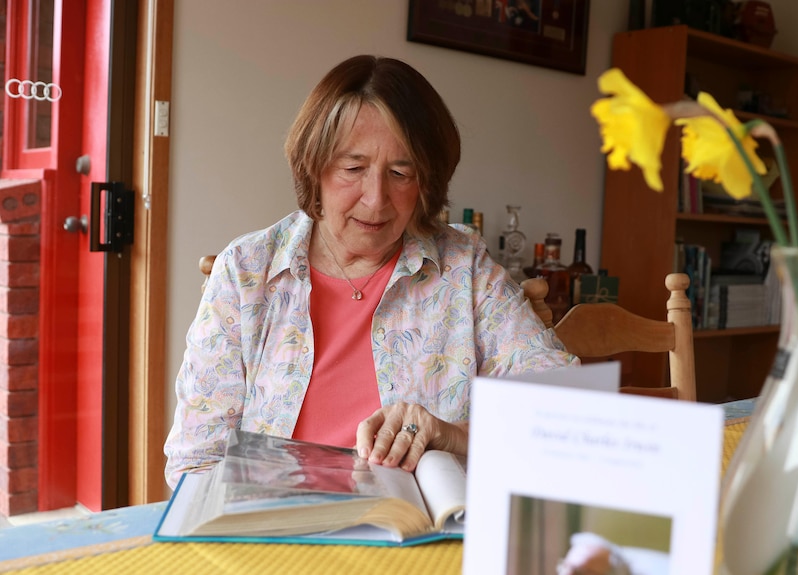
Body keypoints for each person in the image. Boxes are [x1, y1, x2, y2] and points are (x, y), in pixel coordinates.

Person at [163, 54, 576, 489]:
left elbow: (563, 411)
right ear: (313, 167)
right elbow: (196, 460)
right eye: (353, 168)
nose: (376, 199)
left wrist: (452, 435)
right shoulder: (247, 272)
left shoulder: (463, 267)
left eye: (402, 172)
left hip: (425, 541)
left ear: (428, 182)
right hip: (277, 537)